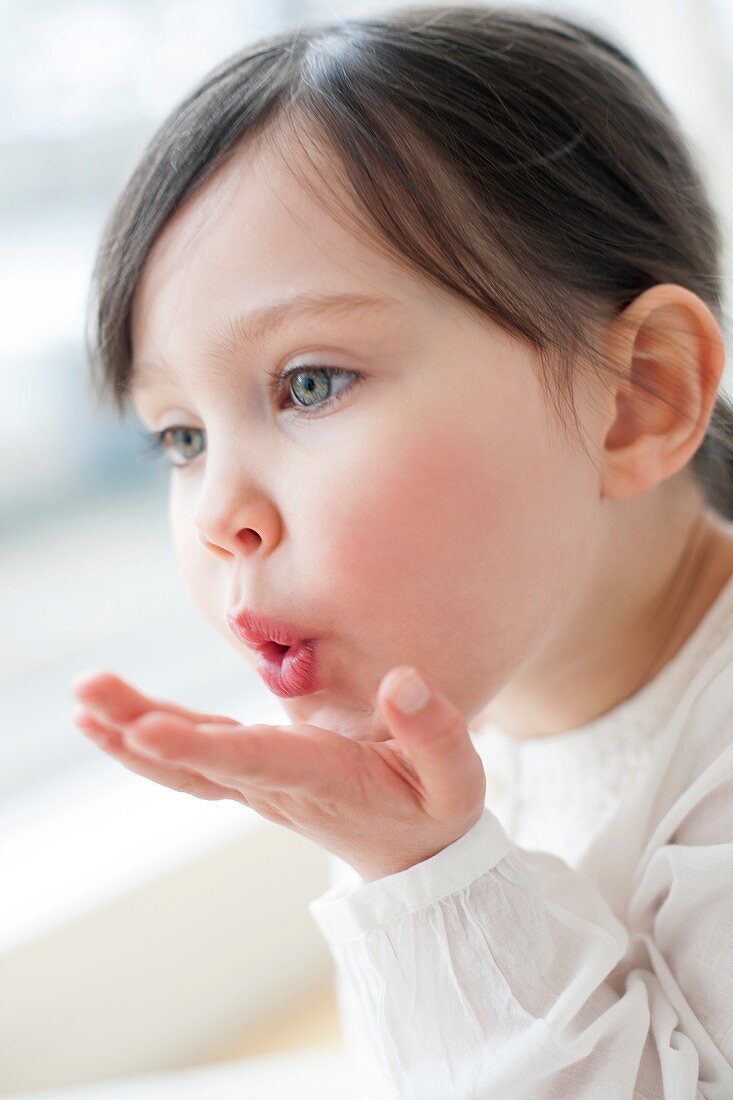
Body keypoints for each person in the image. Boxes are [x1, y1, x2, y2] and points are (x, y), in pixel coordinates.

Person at [71, 4, 733, 1096]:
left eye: (310, 383)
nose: (216, 515)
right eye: (180, 436)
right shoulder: (478, 694)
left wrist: (432, 876)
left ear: (636, 397)